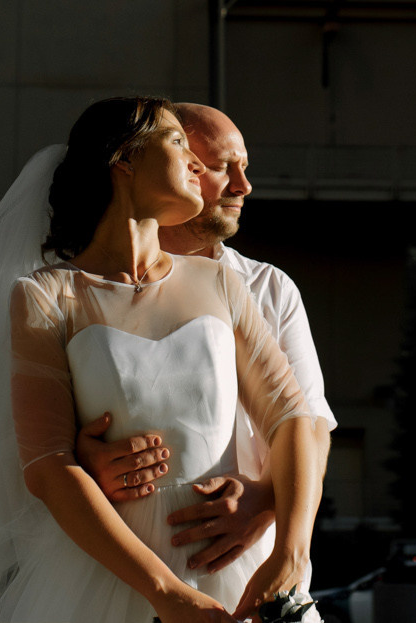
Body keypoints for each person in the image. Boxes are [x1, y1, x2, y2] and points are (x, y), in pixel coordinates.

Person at [0, 97, 323, 623]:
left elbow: (295, 416)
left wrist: (290, 553)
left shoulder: (225, 282)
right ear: (124, 159)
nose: (198, 167)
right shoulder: (45, 297)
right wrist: (166, 592)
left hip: (231, 564)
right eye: (179, 143)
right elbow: (47, 466)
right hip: (108, 572)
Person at [75, 104, 335, 582]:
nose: (243, 185)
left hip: (244, 562)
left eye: (245, 167)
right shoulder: (69, 289)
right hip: (115, 562)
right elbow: (32, 438)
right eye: (221, 167)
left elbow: (311, 422)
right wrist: (83, 458)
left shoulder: (268, 288)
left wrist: (266, 501)